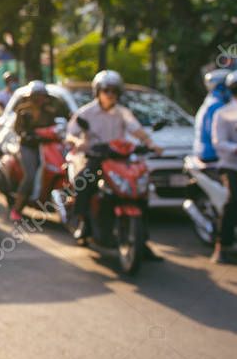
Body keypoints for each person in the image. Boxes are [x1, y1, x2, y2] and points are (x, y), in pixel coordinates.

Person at [66, 70, 163, 257]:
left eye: (114, 91)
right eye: (106, 90)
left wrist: (151, 144)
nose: (110, 94)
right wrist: (78, 142)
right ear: (98, 92)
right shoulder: (86, 112)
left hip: (120, 159)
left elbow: (138, 131)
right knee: (83, 183)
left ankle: (141, 241)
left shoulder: (123, 113)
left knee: (140, 192)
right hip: (96, 158)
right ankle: (83, 222)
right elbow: (70, 133)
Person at [9, 80, 69, 222]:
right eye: (37, 96)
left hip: (47, 146)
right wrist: (28, 135)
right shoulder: (23, 111)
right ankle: (17, 208)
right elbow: (19, 130)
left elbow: (54, 129)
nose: (39, 99)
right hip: (28, 147)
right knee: (30, 175)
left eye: (42, 96)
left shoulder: (50, 112)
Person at [209, 71, 237, 264]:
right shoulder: (223, 113)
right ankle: (222, 245)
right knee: (233, 201)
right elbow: (219, 142)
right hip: (231, 166)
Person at [195, 69, 232, 163]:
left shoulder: (211, 101)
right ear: (222, 87)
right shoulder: (217, 106)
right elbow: (217, 136)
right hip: (212, 156)